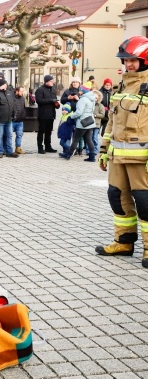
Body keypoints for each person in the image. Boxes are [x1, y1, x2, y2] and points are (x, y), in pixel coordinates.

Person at [95, 36, 148, 267]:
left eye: (133, 60)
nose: (129, 64)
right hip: (117, 157)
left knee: (145, 202)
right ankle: (124, 242)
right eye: (126, 60)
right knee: (117, 197)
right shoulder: (121, 85)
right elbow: (111, 122)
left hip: (142, 159)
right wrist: (104, 150)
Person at [59, 82, 96, 162]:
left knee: (76, 139)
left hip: (82, 122)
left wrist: (71, 116)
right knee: (89, 139)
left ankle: (68, 154)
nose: (80, 90)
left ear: (83, 90)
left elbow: (79, 112)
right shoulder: (92, 98)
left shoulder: (83, 99)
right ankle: (92, 156)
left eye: (81, 89)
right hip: (90, 121)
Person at [0, 79, 18, 158]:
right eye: (5, 84)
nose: (6, 85)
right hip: (0, 119)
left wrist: (15, 114)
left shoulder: (9, 92)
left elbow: (13, 104)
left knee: (9, 135)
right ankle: (0, 151)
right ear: (1, 85)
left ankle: (9, 151)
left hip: (9, 119)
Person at [35, 75, 59, 154]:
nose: (53, 82)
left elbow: (54, 100)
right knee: (41, 131)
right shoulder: (40, 90)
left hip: (51, 114)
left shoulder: (52, 90)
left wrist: (56, 104)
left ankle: (48, 146)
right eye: (51, 81)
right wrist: (51, 100)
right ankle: (40, 147)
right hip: (43, 114)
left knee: (49, 131)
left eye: (53, 81)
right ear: (46, 81)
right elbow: (39, 101)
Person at [87, 90, 105, 155]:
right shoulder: (89, 104)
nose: (95, 99)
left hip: (96, 124)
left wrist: (96, 115)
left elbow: (102, 115)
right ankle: (88, 150)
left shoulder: (100, 106)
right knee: (89, 137)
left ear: (99, 98)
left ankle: (95, 150)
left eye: (96, 97)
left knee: (94, 137)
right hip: (89, 123)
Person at [12, 86, 26, 154]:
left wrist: (24, 116)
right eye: (21, 91)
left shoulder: (23, 98)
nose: (22, 93)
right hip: (13, 120)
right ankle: (7, 148)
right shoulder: (12, 98)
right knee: (9, 135)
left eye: (23, 91)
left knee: (19, 135)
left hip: (20, 120)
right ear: (17, 91)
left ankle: (18, 148)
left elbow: (24, 108)